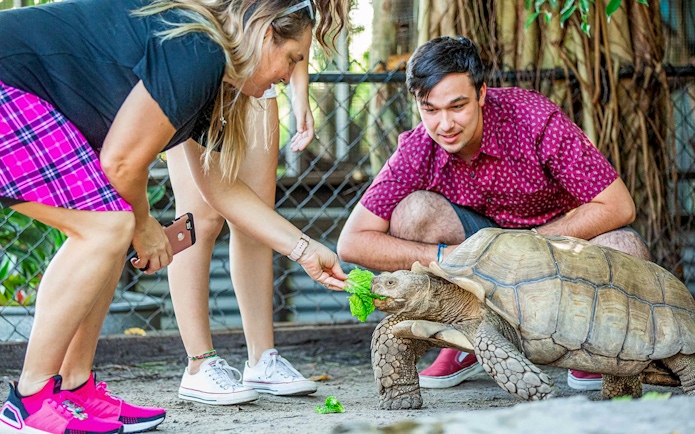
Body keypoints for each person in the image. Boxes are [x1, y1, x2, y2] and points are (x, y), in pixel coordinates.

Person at [0, 1, 348, 433]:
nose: (291, 72)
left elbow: (220, 189)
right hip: (8, 86)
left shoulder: (212, 76)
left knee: (113, 226)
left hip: (25, 95)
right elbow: (122, 163)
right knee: (108, 228)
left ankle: (74, 388)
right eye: (293, 57)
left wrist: (305, 249)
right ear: (264, 35)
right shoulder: (198, 50)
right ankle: (29, 400)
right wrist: (144, 227)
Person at [336, 36, 652, 393]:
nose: (445, 124)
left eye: (458, 106)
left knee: (626, 246)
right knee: (413, 212)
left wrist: (529, 246)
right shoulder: (418, 147)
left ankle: (596, 351)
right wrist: (444, 257)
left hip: (557, 253)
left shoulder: (534, 119)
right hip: (474, 262)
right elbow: (351, 242)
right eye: (430, 109)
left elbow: (618, 205)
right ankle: (463, 340)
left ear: (482, 94)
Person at [167, 70, 321, 404]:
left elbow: (296, 27)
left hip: (258, 83)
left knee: (257, 222)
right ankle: (199, 365)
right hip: (201, 83)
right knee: (200, 221)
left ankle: (262, 360)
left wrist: (299, 91)